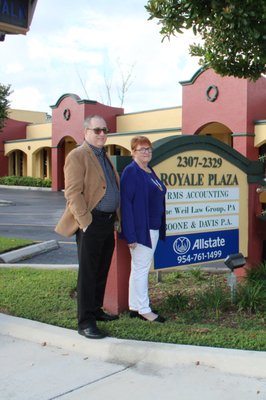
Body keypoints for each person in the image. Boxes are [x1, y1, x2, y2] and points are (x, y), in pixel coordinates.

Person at [55, 115, 120, 339]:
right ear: (86, 132)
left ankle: (96, 310)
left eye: (105, 130)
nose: (102, 134)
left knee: (102, 269)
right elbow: (72, 193)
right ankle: (85, 323)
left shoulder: (104, 156)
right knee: (89, 273)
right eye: (97, 130)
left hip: (108, 221)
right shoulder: (77, 155)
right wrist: (85, 222)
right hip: (91, 223)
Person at [120, 136, 167, 323]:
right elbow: (126, 205)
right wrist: (131, 235)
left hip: (153, 227)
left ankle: (134, 306)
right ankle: (144, 310)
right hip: (142, 230)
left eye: (149, 149)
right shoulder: (131, 172)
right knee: (141, 269)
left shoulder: (148, 170)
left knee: (138, 268)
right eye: (142, 149)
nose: (147, 152)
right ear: (133, 152)